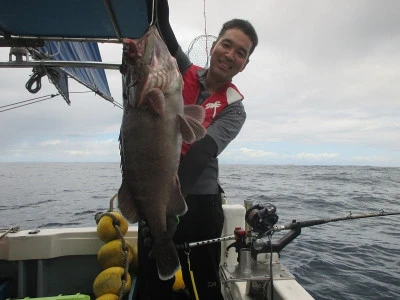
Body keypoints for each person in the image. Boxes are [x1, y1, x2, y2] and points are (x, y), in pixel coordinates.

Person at [134, 1, 258, 299]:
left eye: (241, 52)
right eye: (226, 45)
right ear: (214, 45)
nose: (230, 55)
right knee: (151, 283)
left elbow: (202, 152)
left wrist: (171, 211)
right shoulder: (182, 70)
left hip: (200, 204)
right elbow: (162, 27)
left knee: (204, 283)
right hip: (154, 193)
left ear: (245, 63)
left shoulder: (235, 110)